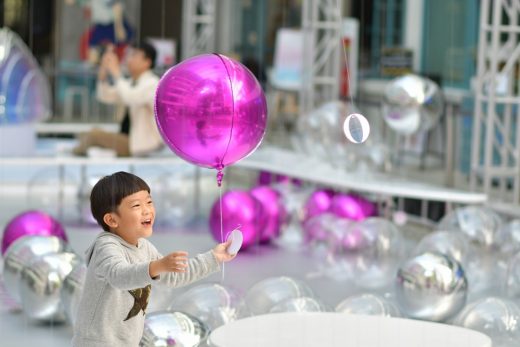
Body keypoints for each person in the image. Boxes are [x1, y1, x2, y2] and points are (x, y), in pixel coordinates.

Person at [72, 171, 236, 346]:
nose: (147, 210)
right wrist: (155, 267)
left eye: (149, 202)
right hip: (96, 342)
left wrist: (214, 258)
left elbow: (175, 275)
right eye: (136, 205)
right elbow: (119, 275)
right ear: (112, 220)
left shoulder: (144, 247)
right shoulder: (105, 247)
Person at [73, 42, 163, 157]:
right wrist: (104, 70)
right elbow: (106, 96)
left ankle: (75, 151)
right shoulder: (131, 82)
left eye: (134, 55)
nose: (128, 59)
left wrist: (116, 73)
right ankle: (85, 148)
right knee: (90, 132)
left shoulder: (153, 83)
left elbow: (131, 97)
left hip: (140, 144)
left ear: (147, 62)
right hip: (128, 139)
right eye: (128, 55)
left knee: (93, 136)